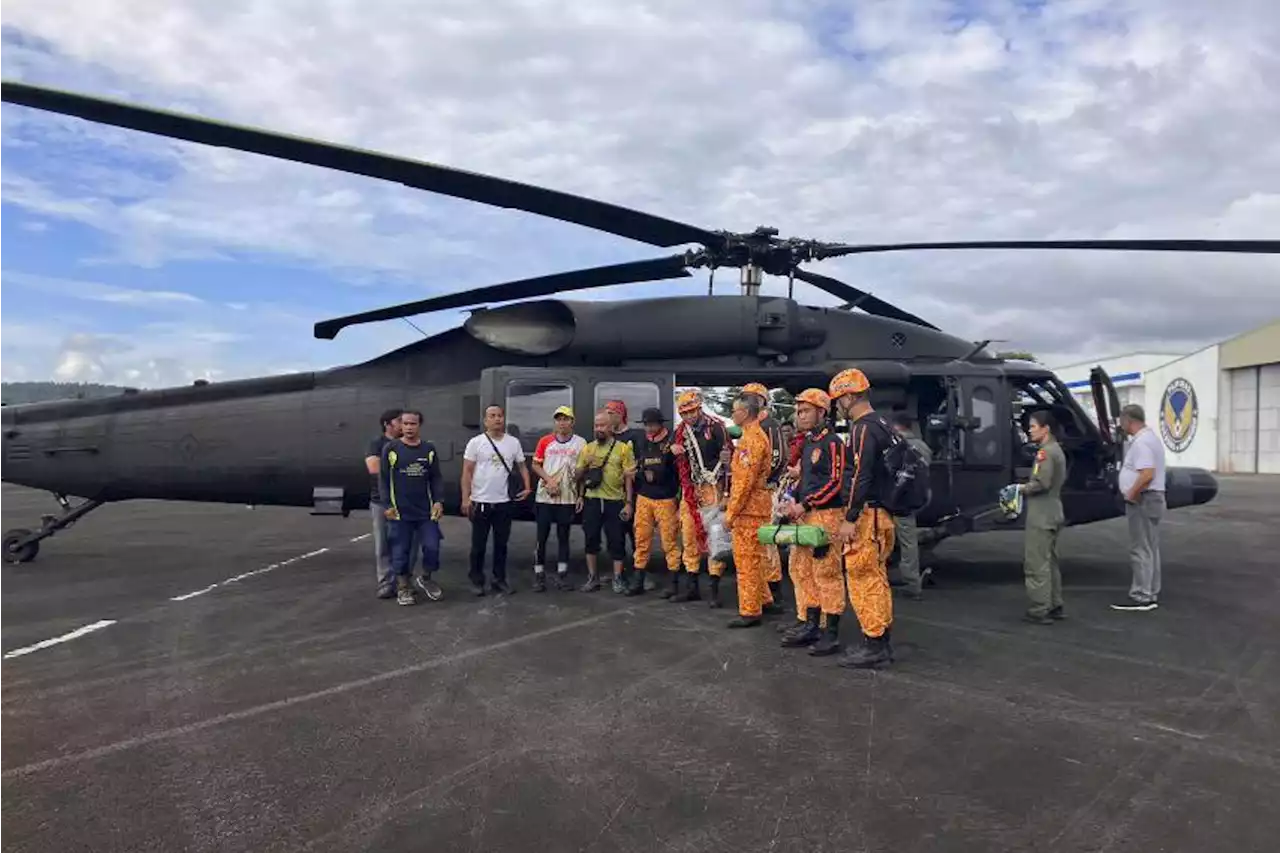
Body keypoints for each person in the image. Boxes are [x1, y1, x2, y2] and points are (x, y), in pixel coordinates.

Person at [829, 368, 897, 668]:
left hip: (867, 515)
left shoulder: (862, 428)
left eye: (839, 399)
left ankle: (873, 645)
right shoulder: (883, 424)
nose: (838, 405)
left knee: (861, 577)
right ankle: (880, 639)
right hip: (882, 513)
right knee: (877, 577)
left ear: (851, 396)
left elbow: (859, 476)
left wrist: (850, 517)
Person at [777, 389, 846, 652]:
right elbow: (804, 479)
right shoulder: (808, 442)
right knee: (801, 569)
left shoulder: (833, 443)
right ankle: (810, 623)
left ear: (822, 412)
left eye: (805, 411)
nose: (800, 416)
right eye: (799, 411)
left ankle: (831, 633)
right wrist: (791, 500)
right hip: (803, 515)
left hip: (827, 516)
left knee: (827, 572)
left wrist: (805, 504)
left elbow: (836, 483)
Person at [670, 390, 734, 605]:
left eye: (691, 411)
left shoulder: (716, 426)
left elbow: (728, 463)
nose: (688, 416)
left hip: (714, 487)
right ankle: (692, 586)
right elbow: (671, 454)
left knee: (715, 536)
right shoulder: (680, 431)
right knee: (688, 534)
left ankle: (715, 589)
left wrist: (726, 494)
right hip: (692, 491)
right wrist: (673, 449)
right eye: (684, 413)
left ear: (699, 408)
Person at [461, 405, 531, 596]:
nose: (497, 419)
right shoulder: (476, 443)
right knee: (478, 545)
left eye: (500, 416)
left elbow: (522, 467)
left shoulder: (513, 443)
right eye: (492, 416)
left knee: (501, 545)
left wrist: (527, 487)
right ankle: (476, 580)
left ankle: (499, 580)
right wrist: (465, 498)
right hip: (480, 501)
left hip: (504, 502)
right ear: (485, 421)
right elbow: (467, 472)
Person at [379, 410, 444, 606]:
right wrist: (388, 505)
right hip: (400, 511)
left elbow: (436, 478)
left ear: (419, 425)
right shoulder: (391, 449)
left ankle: (425, 578)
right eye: (405, 424)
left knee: (432, 547)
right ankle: (403, 587)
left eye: (413, 424)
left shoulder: (429, 450)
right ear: (400, 426)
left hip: (425, 511)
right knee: (401, 551)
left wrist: (438, 501)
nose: (408, 427)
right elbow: (383, 480)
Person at [724, 392, 774, 629]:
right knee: (756, 559)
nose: (732, 415)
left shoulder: (751, 440)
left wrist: (730, 514)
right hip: (755, 508)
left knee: (747, 562)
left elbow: (744, 482)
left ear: (744, 413)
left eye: (734, 411)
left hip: (749, 511)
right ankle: (764, 599)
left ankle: (750, 610)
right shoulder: (752, 436)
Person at [575, 410, 636, 593]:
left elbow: (628, 478)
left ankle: (618, 578)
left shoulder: (623, 448)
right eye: (596, 425)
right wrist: (586, 465)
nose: (599, 429)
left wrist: (629, 503)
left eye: (602, 425)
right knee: (590, 539)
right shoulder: (588, 448)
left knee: (616, 541)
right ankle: (592, 578)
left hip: (615, 501)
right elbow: (577, 475)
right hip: (592, 500)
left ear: (611, 427)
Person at [1015, 409, 1067, 624]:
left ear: (1046, 429)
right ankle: (1055, 603)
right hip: (1054, 510)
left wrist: (1019, 488)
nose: (1030, 429)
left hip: (1041, 513)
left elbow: (1041, 483)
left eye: (1034, 426)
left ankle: (1039, 608)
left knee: (1036, 562)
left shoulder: (1044, 453)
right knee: (1050, 561)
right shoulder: (1057, 450)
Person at [740, 382, 788, 614]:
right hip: (752, 496)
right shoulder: (749, 428)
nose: (747, 401)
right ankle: (763, 594)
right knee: (756, 548)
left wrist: (765, 481)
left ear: (762, 400)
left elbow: (779, 458)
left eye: (751, 397)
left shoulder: (770, 425)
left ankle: (774, 591)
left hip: (766, 493)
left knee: (767, 544)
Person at [1114, 403, 1165, 612]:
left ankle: (1142, 594)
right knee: (1151, 547)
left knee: (1140, 548)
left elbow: (1147, 474)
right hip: (1152, 497)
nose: (1121, 425)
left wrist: (1132, 493)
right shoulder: (1150, 439)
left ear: (1129, 420)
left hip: (1144, 498)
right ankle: (1150, 591)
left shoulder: (1141, 443)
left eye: (1122, 421)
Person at [530, 405, 585, 593]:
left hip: (568, 498)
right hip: (545, 496)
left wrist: (581, 495)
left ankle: (562, 574)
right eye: (559, 419)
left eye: (566, 419)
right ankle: (539, 575)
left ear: (572, 422)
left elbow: (583, 471)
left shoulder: (580, 443)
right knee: (541, 537)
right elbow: (535, 465)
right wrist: (549, 480)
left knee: (564, 537)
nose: (562, 423)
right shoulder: (545, 441)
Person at [628, 407, 682, 596]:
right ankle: (638, 581)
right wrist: (638, 473)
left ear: (660, 424)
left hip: (666, 499)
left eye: (652, 425)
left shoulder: (672, 441)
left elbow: (680, 472)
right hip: (644, 497)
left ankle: (673, 583)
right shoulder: (640, 440)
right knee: (641, 539)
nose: (649, 428)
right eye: (647, 425)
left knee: (669, 542)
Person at [605, 399, 649, 590]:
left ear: (620, 414)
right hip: (612, 494)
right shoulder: (605, 436)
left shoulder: (636, 436)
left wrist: (635, 471)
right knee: (615, 536)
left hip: (635, 494)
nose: (607, 416)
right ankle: (619, 573)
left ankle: (641, 574)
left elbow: (643, 459)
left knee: (637, 535)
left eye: (610, 412)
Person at [889, 412, 932, 601]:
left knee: (894, 541)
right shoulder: (922, 447)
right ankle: (911, 581)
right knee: (908, 542)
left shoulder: (897, 446)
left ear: (897, 427)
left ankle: (909, 583)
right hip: (912, 500)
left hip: (895, 500)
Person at [366, 408, 403, 599]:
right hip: (382, 501)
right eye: (399, 421)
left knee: (405, 544)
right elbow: (373, 467)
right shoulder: (377, 443)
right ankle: (386, 583)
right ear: (387, 424)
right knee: (383, 544)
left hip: (405, 501)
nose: (403, 424)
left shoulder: (408, 443)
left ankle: (403, 582)